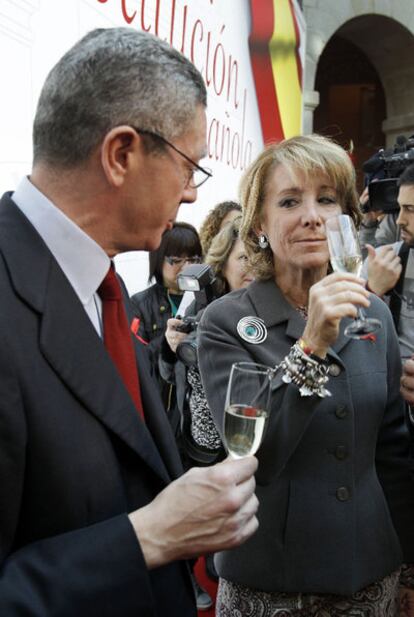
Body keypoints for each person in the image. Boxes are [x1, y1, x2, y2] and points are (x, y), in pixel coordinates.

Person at [0, 28, 259, 617]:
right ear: (121, 154)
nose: (193, 195)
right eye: (190, 166)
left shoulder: (104, 285)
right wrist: (149, 537)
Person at [198, 134, 414, 615]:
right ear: (258, 224)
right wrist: (311, 344)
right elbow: (258, 453)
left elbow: (393, 452)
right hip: (270, 578)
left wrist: (410, 567)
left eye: (327, 199)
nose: (312, 215)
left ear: (346, 219)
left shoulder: (374, 315)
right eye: (290, 200)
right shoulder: (226, 322)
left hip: (369, 573)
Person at [162, 215, 254, 467]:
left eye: (260, 256)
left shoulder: (273, 312)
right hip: (199, 450)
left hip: (250, 451)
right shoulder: (199, 302)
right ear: (223, 264)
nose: (254, 265)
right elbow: (170, 376)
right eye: (244, 257)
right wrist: (170, 348)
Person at [364, 164, 414, 359]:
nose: (400, 220)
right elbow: (345, 337)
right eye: (400, 208)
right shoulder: (383, 261)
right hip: (389, 384)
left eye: (410, 209)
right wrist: (371, 290)